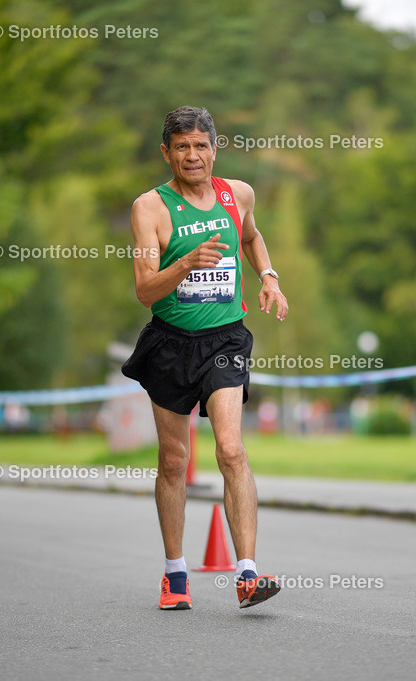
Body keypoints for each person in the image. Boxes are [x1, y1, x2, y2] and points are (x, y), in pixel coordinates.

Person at [123, 106, 289, 610]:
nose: (192, 156)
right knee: (174, 461)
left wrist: (268, 276)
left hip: (224, 341)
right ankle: (175, 576)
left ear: (215, 148)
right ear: (166, 152)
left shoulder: (237, 194)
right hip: (170, 344)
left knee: (231, 450)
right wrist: (186, 263)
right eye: (181, 147)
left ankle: (248, 573)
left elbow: (251, 237)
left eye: (201, 146)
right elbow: (145, 291)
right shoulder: (150, 208)